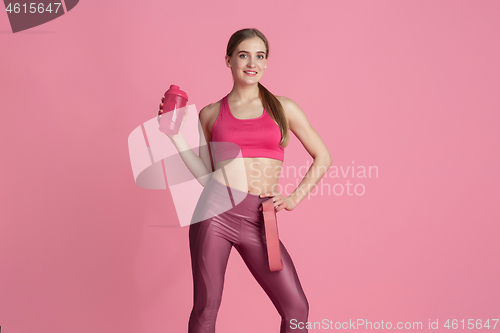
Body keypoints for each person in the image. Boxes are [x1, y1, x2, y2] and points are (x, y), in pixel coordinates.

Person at [158, 28, 332, 333]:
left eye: (259, 56)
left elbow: (323, 157)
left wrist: (293, 198)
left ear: (266, 62)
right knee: (206, 307)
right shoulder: (211, 113)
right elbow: (206, 174)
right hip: (215, 209)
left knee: (296, 307)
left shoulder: (283, 107)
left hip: (261, 217)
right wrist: (175, 139)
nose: (252, 63)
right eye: (243, 55)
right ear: (228, 60)